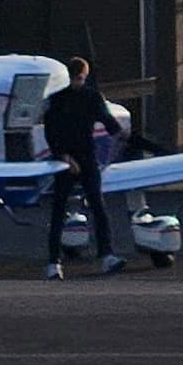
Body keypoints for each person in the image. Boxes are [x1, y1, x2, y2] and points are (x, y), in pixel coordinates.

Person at [40, 55, 121, 277]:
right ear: (84, 75)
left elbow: (50, 131)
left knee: (59, 211)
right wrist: (122, 139)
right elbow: (111, 124)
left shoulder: (55, 100)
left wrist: (63, 155)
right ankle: (106, 256)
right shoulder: (92, 97)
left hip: (63, 160)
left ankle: (53, 264)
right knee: (98, 208)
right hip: (85, 159)